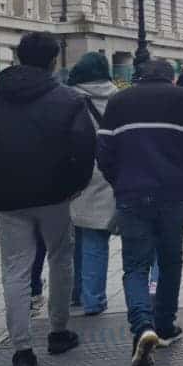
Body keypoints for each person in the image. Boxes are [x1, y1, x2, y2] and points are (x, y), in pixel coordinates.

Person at [0, 32, 95, 366]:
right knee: (60, 258)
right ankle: (58, 331)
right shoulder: (69, 99)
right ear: (53, 61)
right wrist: (74, 185)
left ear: (19, 57)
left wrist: (3, 164)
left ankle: (21, 350)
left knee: (16, 269)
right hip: (55, 194)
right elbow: (85, 148)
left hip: (8, 195)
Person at [97, 58, 183, 366]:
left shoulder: (119, 102)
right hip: (173, 193)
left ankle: (141, 327)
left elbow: (103, 150)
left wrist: (119, 181)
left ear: (138, 77)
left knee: (136, 266)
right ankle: (165, 325)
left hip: (131, 193)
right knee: (170, 260)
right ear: (171, 78)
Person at [68, 52, 120, 316]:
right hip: (110, 170)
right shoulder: (119, 98)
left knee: (80, 236)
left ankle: (84, 296)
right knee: (97, 235)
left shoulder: (70, 99)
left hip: (79, 172)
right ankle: (92, 297)